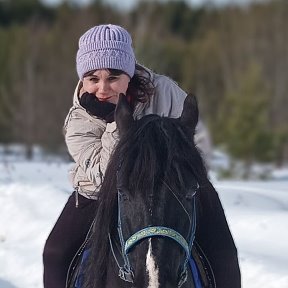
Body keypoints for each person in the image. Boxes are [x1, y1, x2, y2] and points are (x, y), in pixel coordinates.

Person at [42, 24, 212, 288]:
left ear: (129, 74)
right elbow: (100, 178)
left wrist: (187, 176)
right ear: (83, 80)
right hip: (97, 195)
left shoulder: (164, 92)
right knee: (54, 253)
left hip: (173, 190)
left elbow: (198, 137)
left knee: (222, 250)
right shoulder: (78, 123)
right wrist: (119, 123)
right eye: (92, 79)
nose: (102, 88)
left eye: (113, 77)